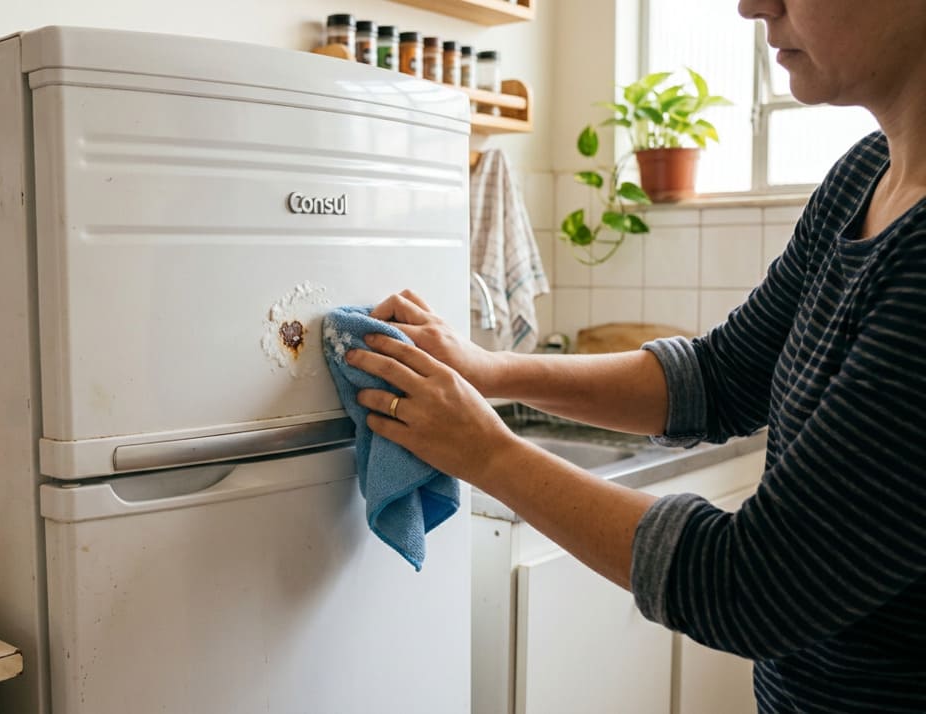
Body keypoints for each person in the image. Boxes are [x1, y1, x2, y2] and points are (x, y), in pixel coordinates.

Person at [343, 1, 926, 711]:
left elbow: (753, 588)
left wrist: (488, 453)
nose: (751, 4)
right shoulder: (862, 178)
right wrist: (490, 370)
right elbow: (720, 376)